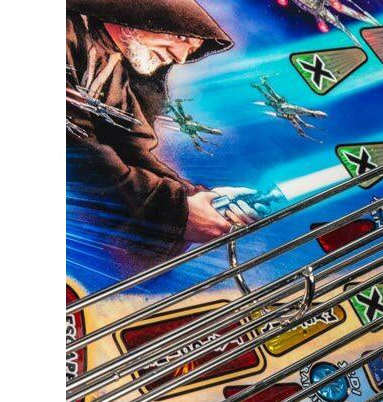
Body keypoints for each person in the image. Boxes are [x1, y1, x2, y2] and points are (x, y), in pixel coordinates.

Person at [66, 0, 258, 273]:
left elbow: (132, 147)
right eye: (181, 38)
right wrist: (176, 211)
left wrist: (201, 198)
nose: (180, 57)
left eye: (191, 49)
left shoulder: (111, 66)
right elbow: (76, 150)